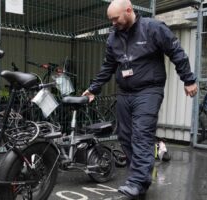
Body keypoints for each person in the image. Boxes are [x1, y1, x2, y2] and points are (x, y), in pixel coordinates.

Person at [82, 0, 198, 198]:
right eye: (110, 20)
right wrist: (93, 89)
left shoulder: (152, 28)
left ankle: (137, 182)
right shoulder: (113, 38)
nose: (113, 23)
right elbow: (108, 66)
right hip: (125, 93)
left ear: (129, 10)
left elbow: (176, 52)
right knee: (125, 137)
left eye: (115, 19)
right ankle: (138, 178)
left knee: (141, 134)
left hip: (149, 91)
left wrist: (188, 79)